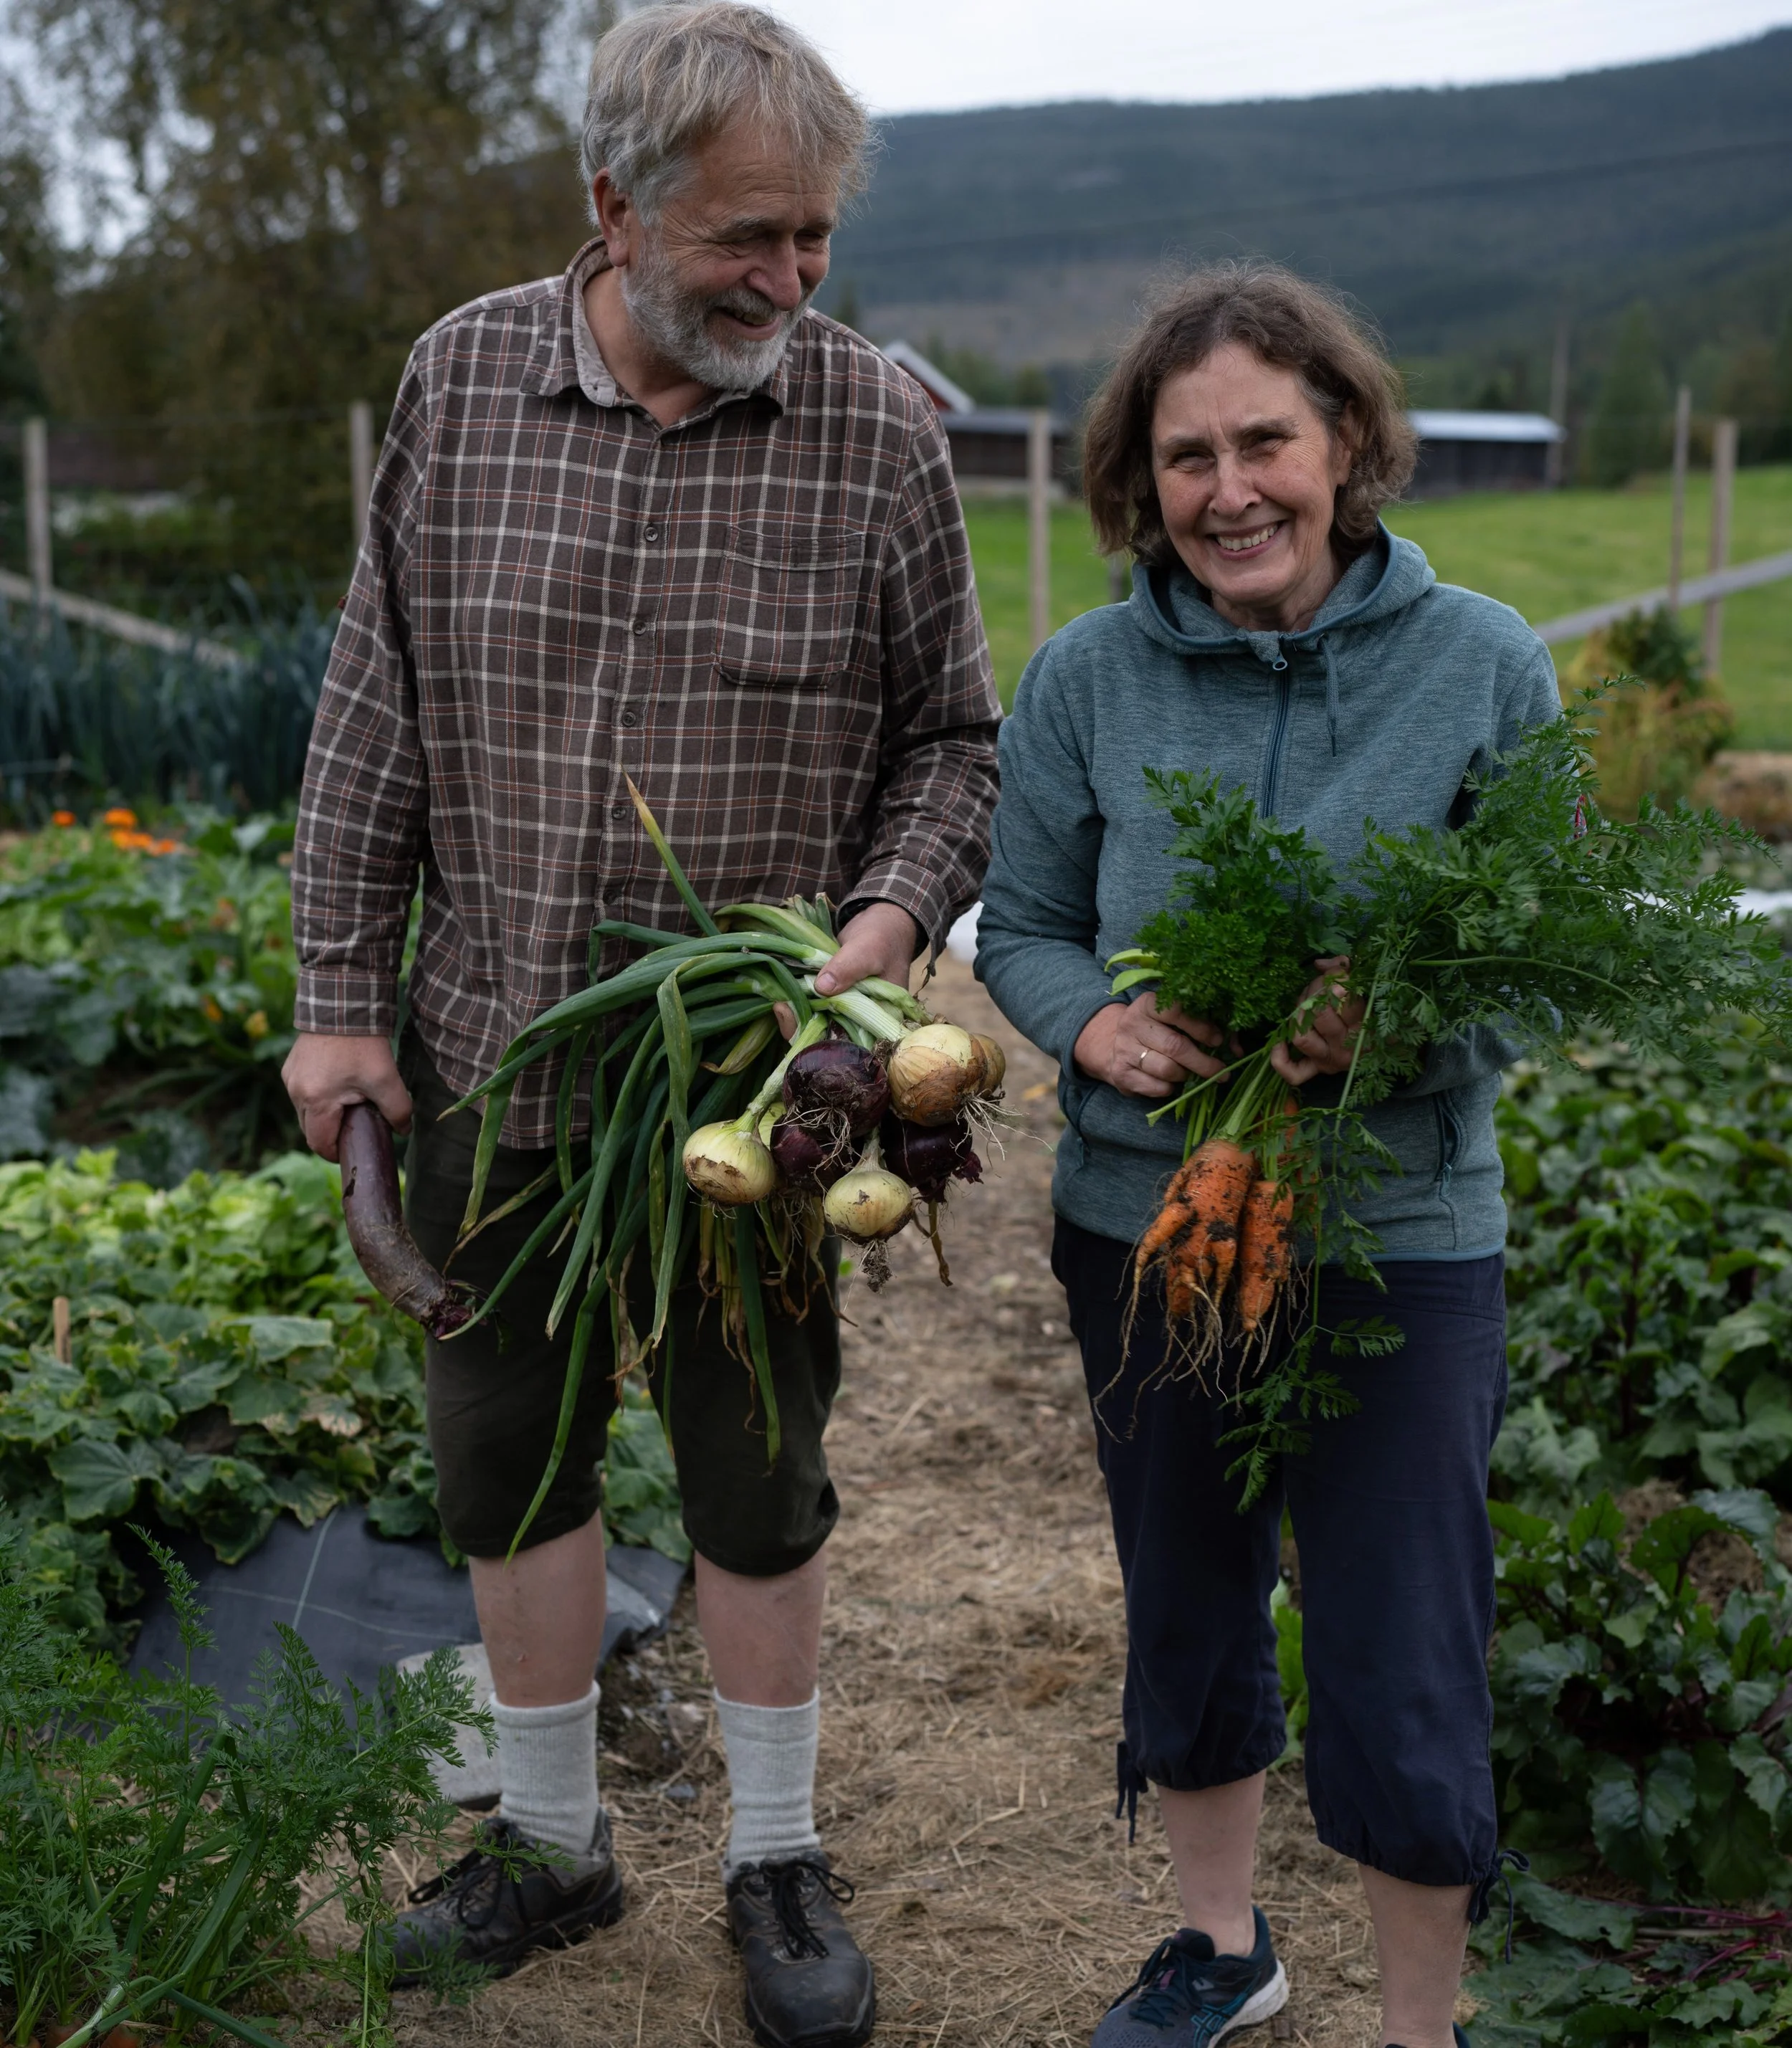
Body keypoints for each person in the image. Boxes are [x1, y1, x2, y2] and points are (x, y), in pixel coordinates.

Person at [282, 9, 999, 2044]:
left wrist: (876, 936)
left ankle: (772, 1858)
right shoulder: (460, 381)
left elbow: (956, 740)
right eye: (748, 239)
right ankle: (551, 1839)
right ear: (612, 207)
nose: (790, 281)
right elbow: (372, 720)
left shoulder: (874, 429)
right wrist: (342, 1003)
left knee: (758, 1472)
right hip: (497, 1055)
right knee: (503, 1459)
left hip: (753, 1098)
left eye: (817, 242)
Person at [976, 262, 1555, 2048]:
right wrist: (1090, 1024)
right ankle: (1222, 1950)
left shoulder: (1479, 665)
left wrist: (1384, 1030)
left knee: (1397, 1634)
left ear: (1349, 445)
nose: (1226, 490)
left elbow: (1534, 946)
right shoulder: (1085, 678)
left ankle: (1418, 2024)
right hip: (1150, 1217)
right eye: (1182, 456)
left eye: (1263, 443)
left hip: (1397, 1226)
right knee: (1190, 1595)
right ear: (1135, 486)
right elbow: (1023, 921)